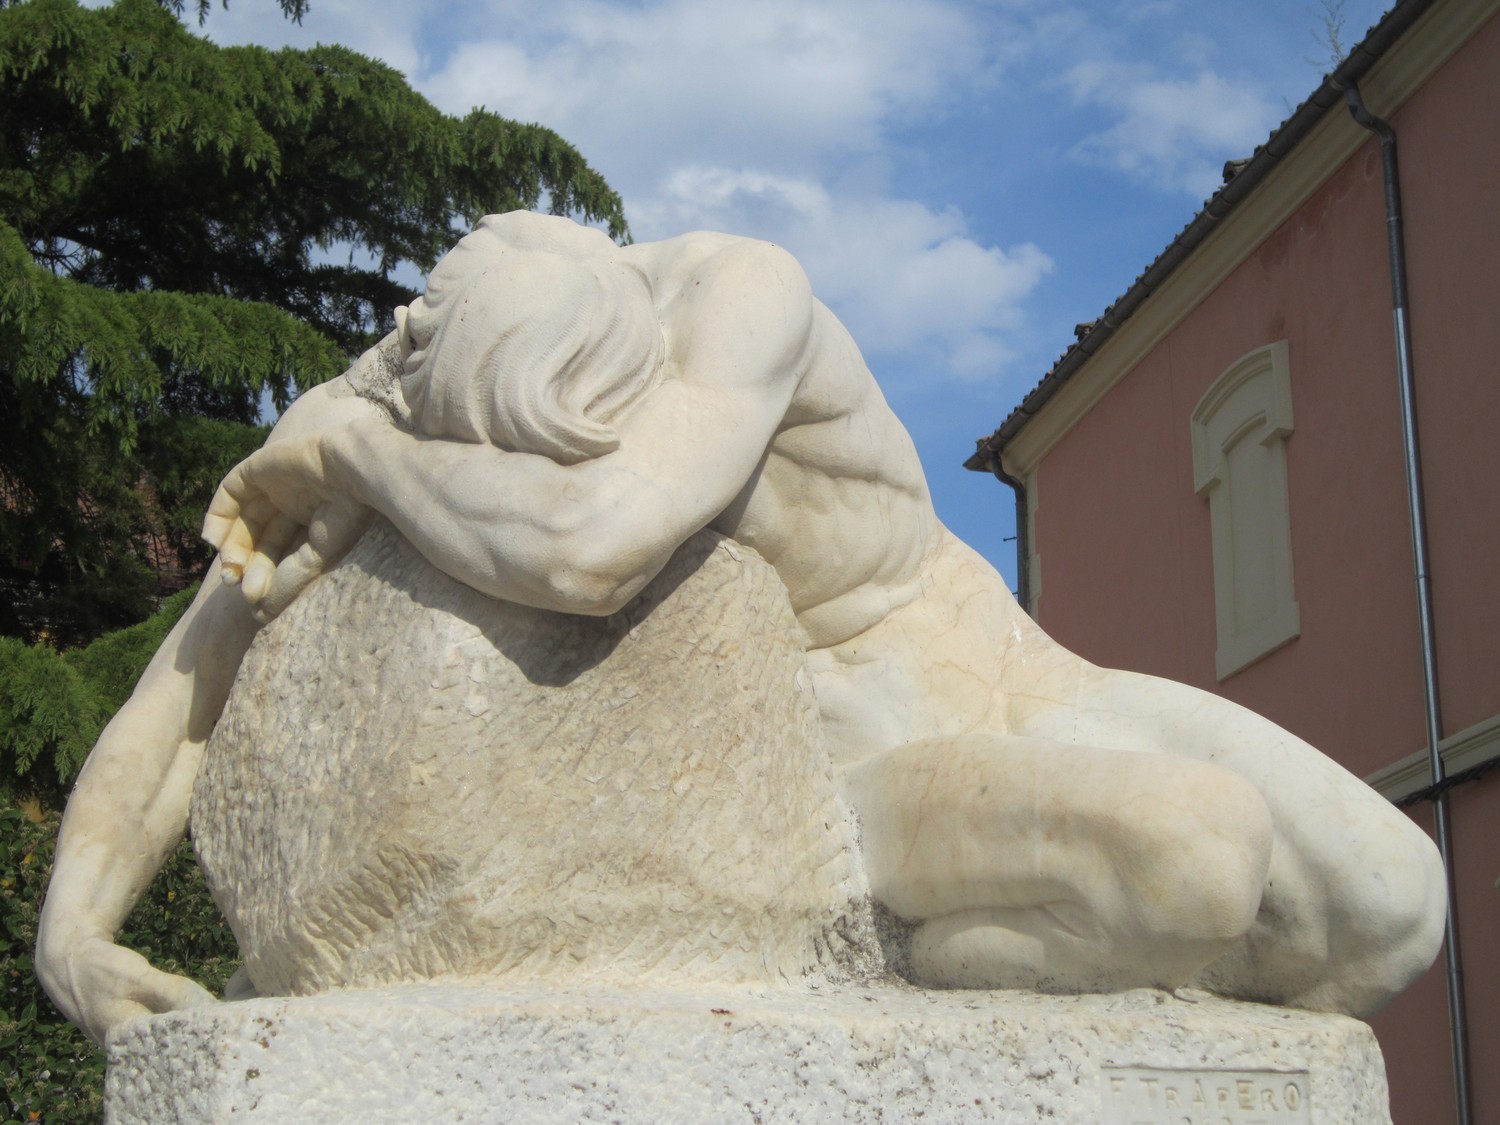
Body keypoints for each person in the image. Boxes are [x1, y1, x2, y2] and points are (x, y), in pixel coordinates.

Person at [38, 212, 1445, 1045]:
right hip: (840, 778)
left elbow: (587, 547)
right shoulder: (391, 388)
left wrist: (364, 459)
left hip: (1007, 668)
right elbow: (200, 668)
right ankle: (891, 945)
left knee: (1393, 913)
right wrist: (75, 931)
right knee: (1195, 864)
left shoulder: (728, 294)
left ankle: (1017, 932)